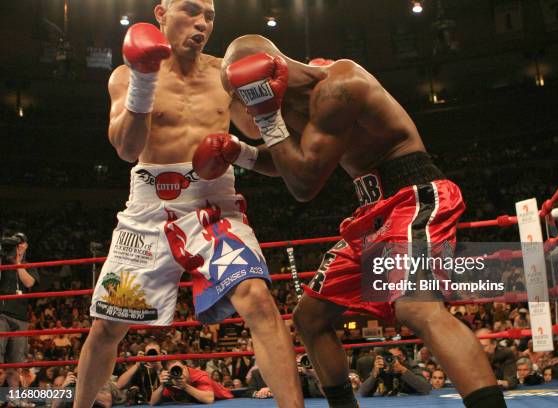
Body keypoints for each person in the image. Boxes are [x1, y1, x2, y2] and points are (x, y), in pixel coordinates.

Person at [219, 35, 504, 407]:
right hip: (371, 212)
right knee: (310, 317)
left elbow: (304, 185)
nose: (240, 109)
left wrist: (268, 117)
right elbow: (289, 162)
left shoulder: (339, 86)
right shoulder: (292, 105)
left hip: (413, 194)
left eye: (239, 97)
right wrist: (239, 153)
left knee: (417, 306)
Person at [74, 2, 303, 407]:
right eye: (192, 11)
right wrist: (145, 80)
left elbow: (256, 132)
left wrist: (267, 100)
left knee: (258, 300)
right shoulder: (125, 75)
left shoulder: (224, 74)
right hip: (147, 209)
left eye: (209, 16)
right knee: (107, 327)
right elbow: (127, 149)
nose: (202, 23)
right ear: (161, 13)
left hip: (213, 205)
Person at [0, 232, 40, 391]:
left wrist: (17, 261)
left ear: (26, 245)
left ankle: (14, 398)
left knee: (15, 364)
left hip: (20, 318)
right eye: (16, 243)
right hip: (1, 315)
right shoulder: (3, 263)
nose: (19, 245)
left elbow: (29, 282)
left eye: (21, 242)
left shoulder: (29, 266)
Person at [150, 360, 232, 404]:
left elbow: (209, 399)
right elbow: (152, 402)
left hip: (225, 398)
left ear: (185, 368)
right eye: (174, 371)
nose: (178, 373)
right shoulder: (172, 380)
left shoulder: (201, 375)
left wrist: (185, 386)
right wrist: (162, 385)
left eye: (180, 369)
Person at [359, 347, 431, 397]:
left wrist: (403, 370)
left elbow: (425, 388)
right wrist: (375, 373)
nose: (394, 360)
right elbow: (363, 392)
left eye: (398, 357)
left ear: (404, 357)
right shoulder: (382, 367)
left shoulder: (411, 365)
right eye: (391, 357)